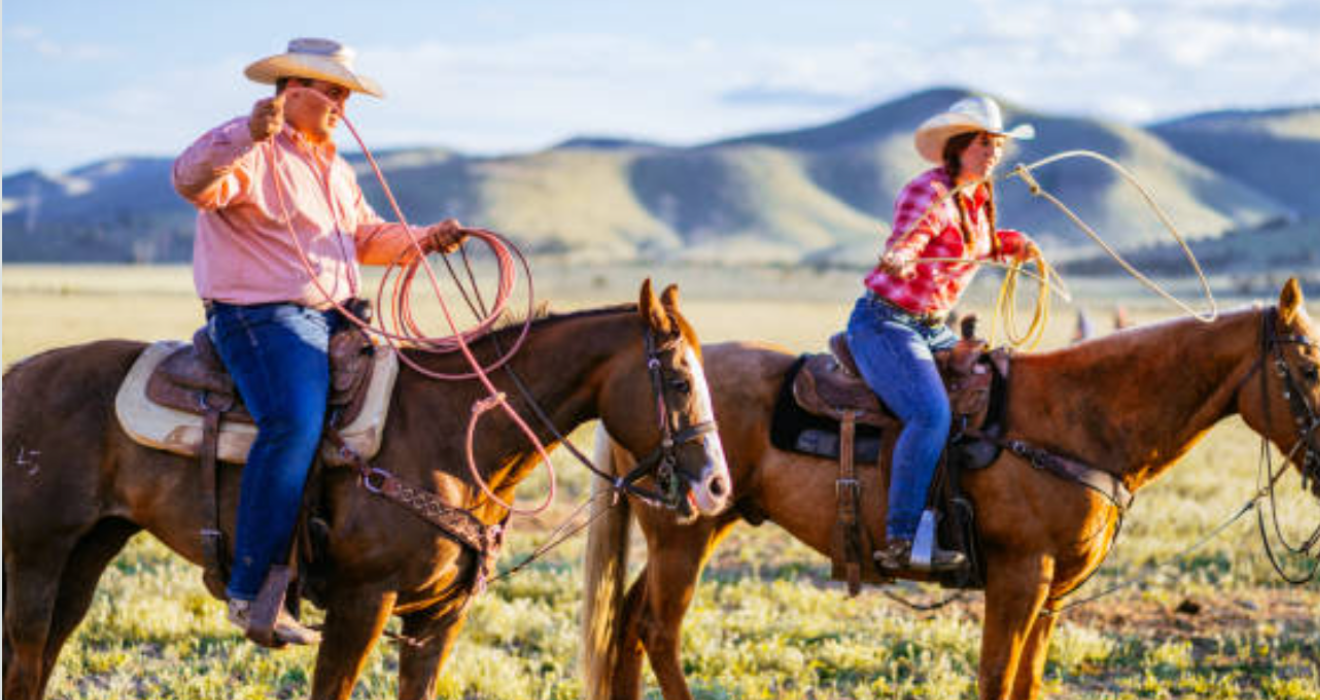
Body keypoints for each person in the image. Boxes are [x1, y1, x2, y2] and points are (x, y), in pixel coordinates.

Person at [172, 38, 467, 644]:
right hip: (261, 317)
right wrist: (244, 133)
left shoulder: (334, 166)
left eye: (346, 93)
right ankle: (251, 590)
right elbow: (193, 182)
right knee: (294, 423)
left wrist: (423, 239)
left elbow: (362, 235)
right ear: (292, 89)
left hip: (337, 316)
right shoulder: (251, 149)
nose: (343, 104)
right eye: (332, 91)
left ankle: (341, 553)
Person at [846, 96, 1040, 572]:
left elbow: (982, 244)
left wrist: (1015, 246)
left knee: (994, 388)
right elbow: (911, 236)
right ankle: (901, 537)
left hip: (931, 328)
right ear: (958, 146)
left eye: (997, 143)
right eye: (983, 142)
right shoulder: (931, 191)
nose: (993, 151)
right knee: (930, 415)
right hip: (887, 322)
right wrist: (904, 256)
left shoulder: (980, 197)